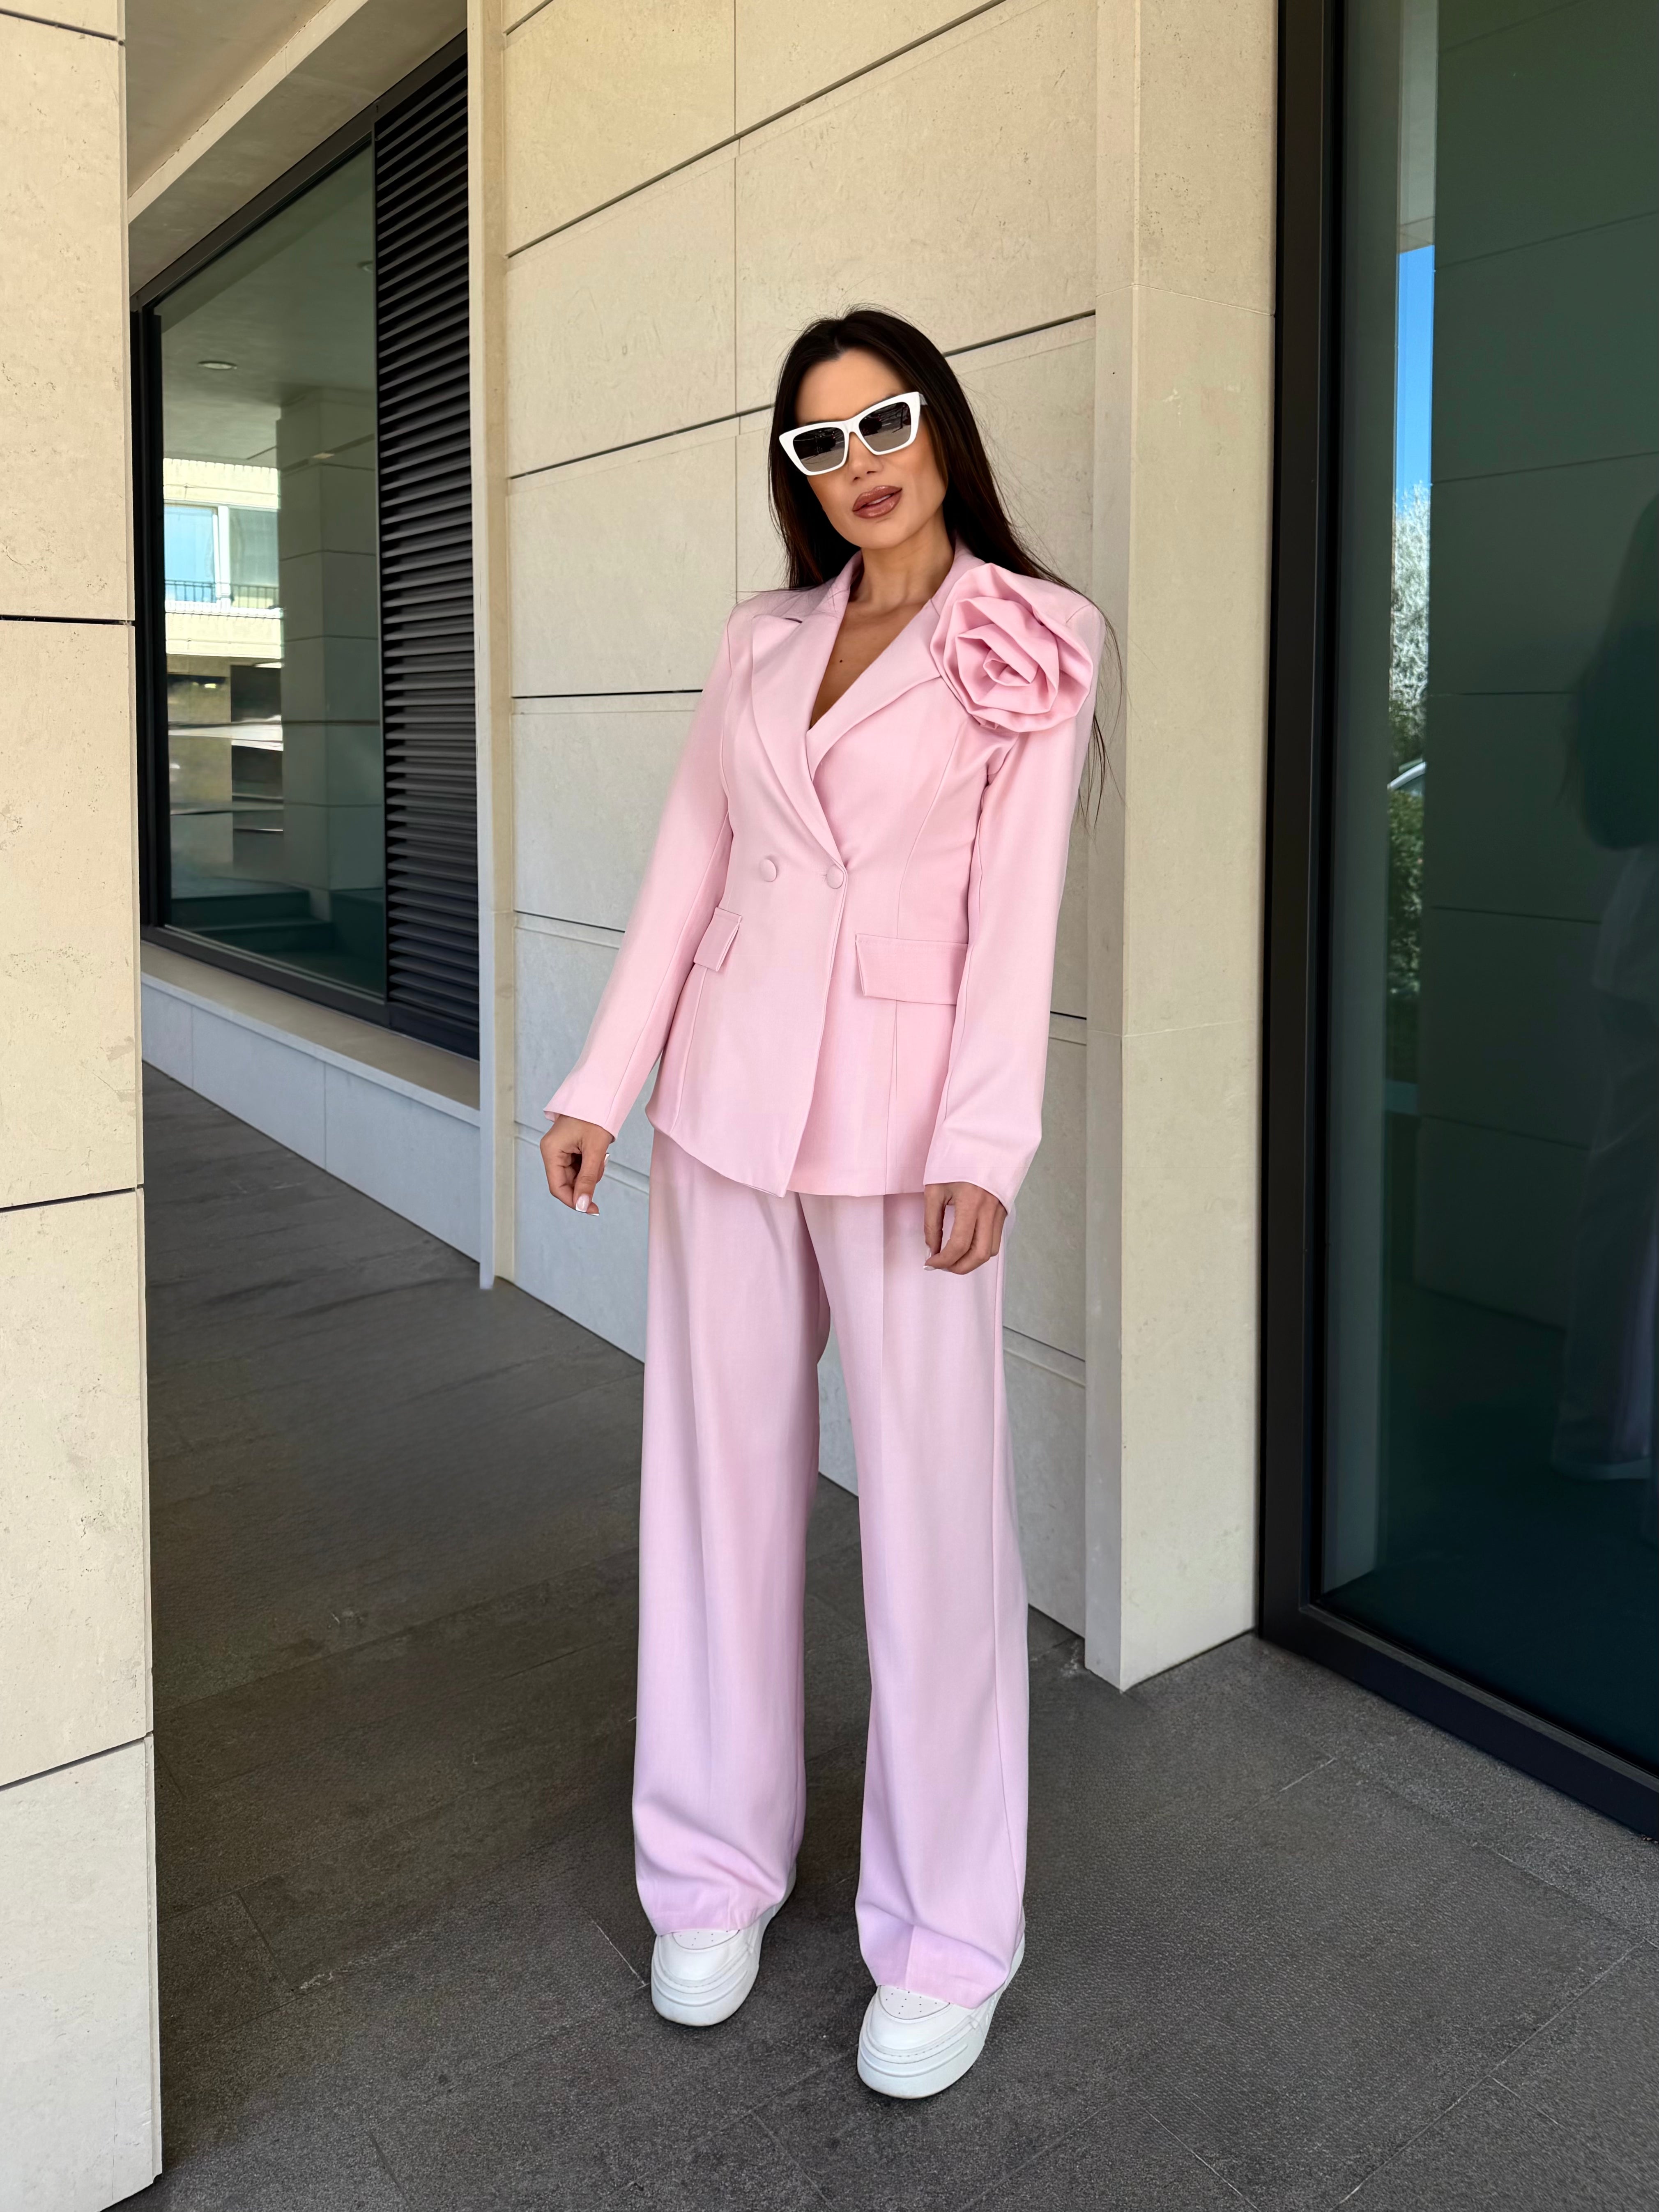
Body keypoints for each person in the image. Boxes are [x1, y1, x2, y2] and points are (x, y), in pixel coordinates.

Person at [541, 307, 1109, 2098]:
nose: (858, 464)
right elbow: (689, 866)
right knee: (712, 1502)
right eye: (819, 442)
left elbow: (1016, 918)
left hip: (910, 1137)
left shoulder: (1031, 633)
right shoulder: (758, 638)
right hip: (723, 1112)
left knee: (935, 1533)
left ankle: (947, 1933)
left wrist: (984, 1145)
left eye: (884, 423)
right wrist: (600, 1081)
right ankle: (709, 1869)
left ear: (940, 428)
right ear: (794, 472)